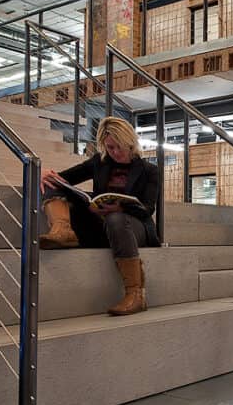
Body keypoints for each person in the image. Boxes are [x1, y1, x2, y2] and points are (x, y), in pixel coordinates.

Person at [39, 117, 160, 315]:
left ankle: (135, 294)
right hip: (101, 224)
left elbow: (148, 209)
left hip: (133, 227)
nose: (114, 152)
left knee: (116, 219)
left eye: (118, 147)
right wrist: (44, 173)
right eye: (110, 147)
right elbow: (63, 178)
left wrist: (120, 208)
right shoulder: (100, 162)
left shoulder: (149, 170)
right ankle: (62, 230)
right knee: (53, 186)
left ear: (130, 143)